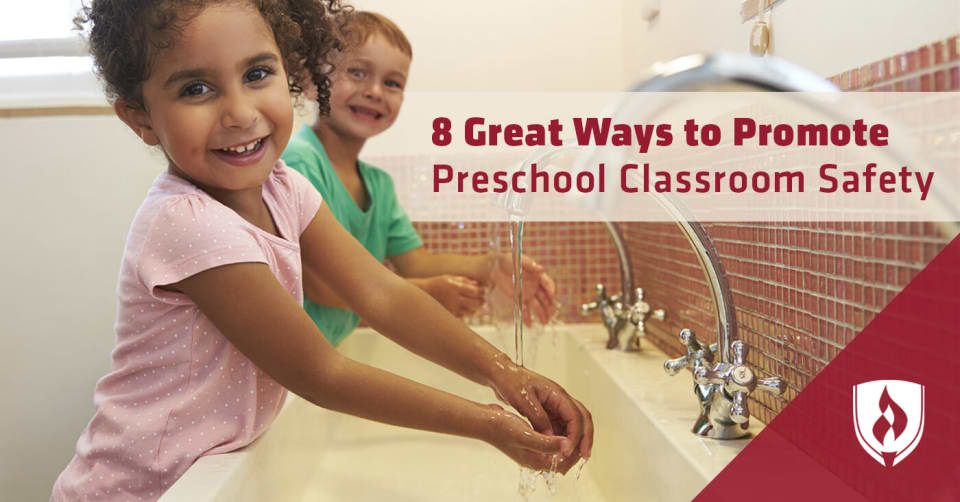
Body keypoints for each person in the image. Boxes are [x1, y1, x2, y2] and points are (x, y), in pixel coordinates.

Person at [51, 1, 592, 500]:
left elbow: (383, 294)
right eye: (196, 88)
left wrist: (504, 373)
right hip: (140, 488)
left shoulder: (284, 186)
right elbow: (321, 373)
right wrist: (488, 422)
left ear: (292, 73)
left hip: (203, 477)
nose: (240, 112)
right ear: (140, 117)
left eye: (257, 74)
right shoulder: (189, 225)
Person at [281, 11, 558, 347]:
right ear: (312, 82)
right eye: (357, 72)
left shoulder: (378, 185)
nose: (374, 91)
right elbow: (320, 283)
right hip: (286, 360)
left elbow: (415, 262)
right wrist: (425, 294)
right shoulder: (298, 162)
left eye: (392, 83)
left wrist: (490, 267)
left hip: (320, 358)